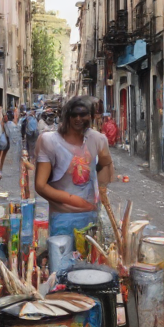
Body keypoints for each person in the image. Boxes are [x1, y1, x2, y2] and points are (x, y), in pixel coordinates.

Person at [35, 96, 115, 237]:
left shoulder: (98, 139)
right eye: (74, 114)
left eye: (83, 114)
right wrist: (76, 201)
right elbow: (40, 186)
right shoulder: (50, 141)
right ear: (67, 116)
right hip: (62, 218)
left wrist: (101, 191)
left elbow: (105, 171)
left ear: (90, 116)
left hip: (91, 218)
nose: (78, 119)